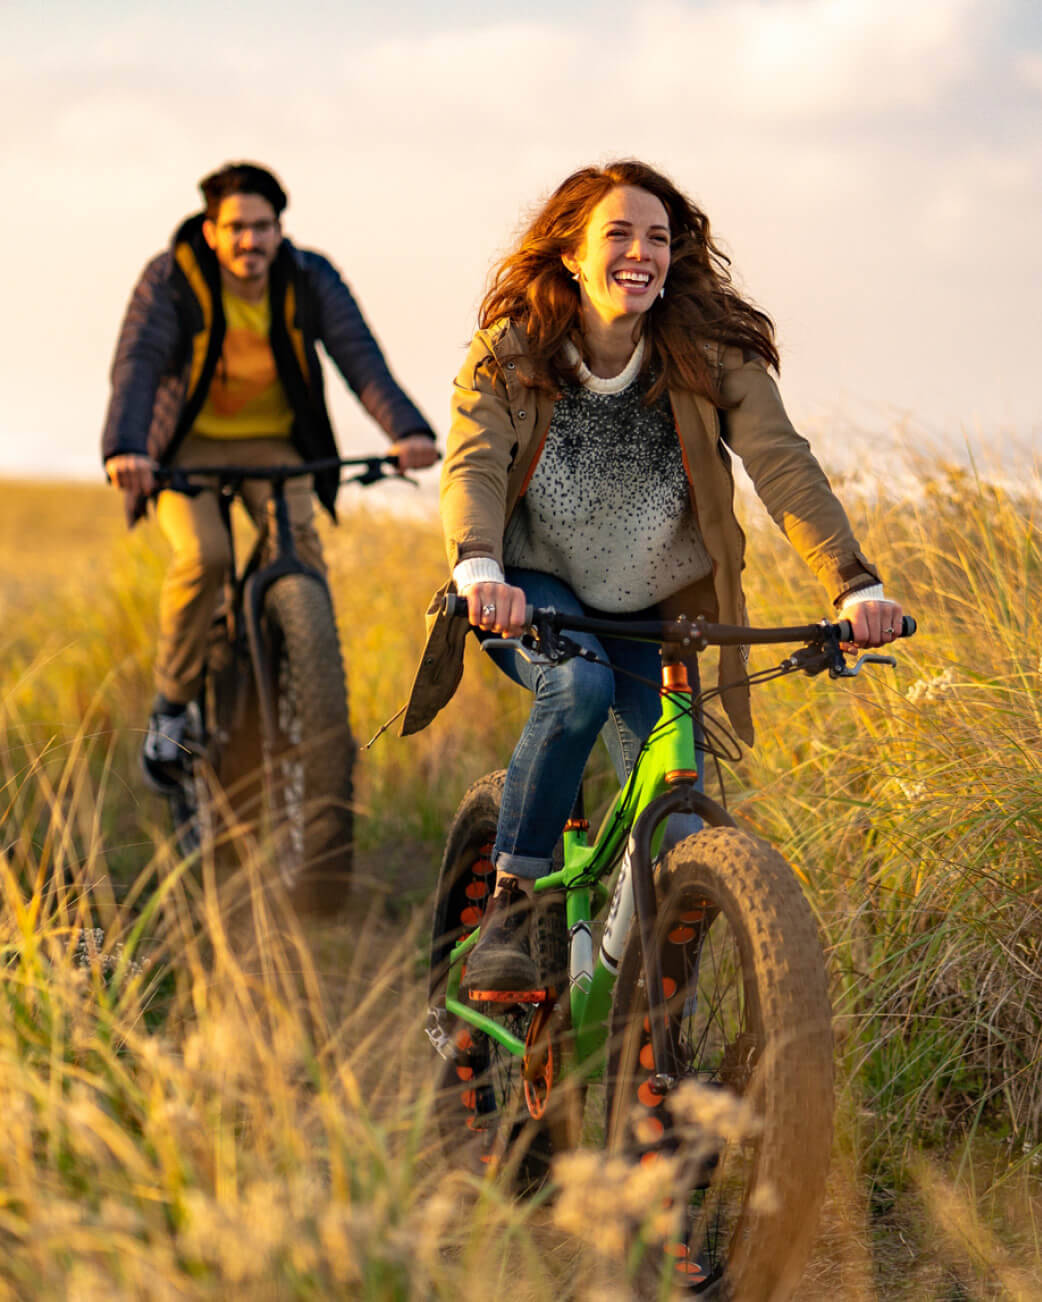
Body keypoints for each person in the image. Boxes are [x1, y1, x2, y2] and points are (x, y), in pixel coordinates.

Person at [401, 159, 902, 992]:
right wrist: (479, 567)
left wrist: (854, 584)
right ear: (571, 252)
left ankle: (649, 1042)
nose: (642, 252)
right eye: (619, 234)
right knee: (579, 689)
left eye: (659, 238)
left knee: (681, 825)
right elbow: (476, 466)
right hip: (535, 598)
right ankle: (514, 909)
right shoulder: (512, 350)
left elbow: (783, 465)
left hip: (652, 608)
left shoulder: (711, 355)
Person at [101, 161, 438, 793]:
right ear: (210, 229)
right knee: (204, 555)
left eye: (263, 227)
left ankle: (298, 676)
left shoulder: (309, 277)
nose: (250, 242)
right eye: (236, 228)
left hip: (278, 443)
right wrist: (126, 445)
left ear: (281, 229)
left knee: (301, 552)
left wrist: (407, 430)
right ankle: (170, 711)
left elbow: (358, 355)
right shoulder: (172, 277)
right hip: (184, 447)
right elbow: (139, 358)